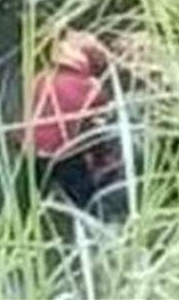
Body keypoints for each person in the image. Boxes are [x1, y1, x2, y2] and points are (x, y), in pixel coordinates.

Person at [23, 30, 121, 211]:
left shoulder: (40, 79)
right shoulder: (90, 88)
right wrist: (105, 159)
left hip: (30, 151)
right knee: (87, 202)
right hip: (64, 156)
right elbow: (93, 135)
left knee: (35, 197)